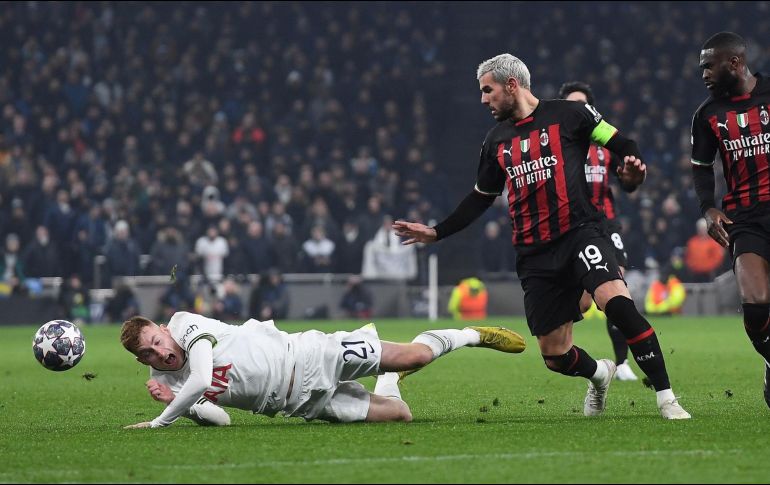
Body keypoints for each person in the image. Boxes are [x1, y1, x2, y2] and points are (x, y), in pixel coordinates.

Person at [394, 53, 690, 419]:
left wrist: (632, 167)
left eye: (488, 90)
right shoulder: (496, 141)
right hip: (534, 254)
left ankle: (667, 398)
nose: (483, 99)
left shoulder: (570, 115)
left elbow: (621, 142)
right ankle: (600, 374)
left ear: (511, 85)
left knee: (617, 302)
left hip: (580, 233)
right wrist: (437, 232)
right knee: (555, 355)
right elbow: (481, 198)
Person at [119, 312, 526, 428]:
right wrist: (180, 404)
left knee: (415, 356)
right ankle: (387, 380)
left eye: (157, 340)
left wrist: (161, 421)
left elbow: (204, 379)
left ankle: (471, 334)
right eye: (150, 354)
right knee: (400, 414)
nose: (161, 353)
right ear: (143, 362)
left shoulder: (186, 324)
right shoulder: (166, 381)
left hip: (311, 355)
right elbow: (220, 417)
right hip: (302, 404)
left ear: (162, 328)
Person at [690, 31, 770, 409]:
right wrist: (708, 208)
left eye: (709, 65)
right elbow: (701, 167)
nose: (703, 73)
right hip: (745, 217)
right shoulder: (707, 115)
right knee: (755, 305)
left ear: (734, 63)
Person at [559, 81, 639, 382]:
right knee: (581, 303)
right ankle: (562, 348)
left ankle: (621, 362)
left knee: (617, 289)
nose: (577, 111)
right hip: (574, 228)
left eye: (582, 105)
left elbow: (629, 182)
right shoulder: (558, 147)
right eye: (571, 105)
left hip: (605, 224)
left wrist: (632, 176)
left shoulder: (606, 144)